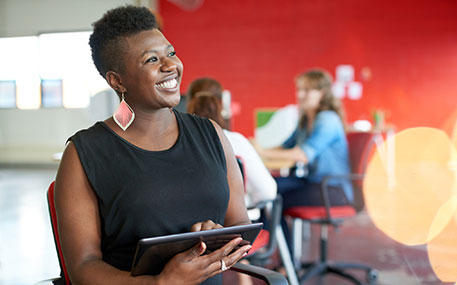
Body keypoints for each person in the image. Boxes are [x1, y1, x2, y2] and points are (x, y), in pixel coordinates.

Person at [54, 6, 251, 284]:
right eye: (151, 60)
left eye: (170, 53)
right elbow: (83, 268)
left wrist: (217, 236)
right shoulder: (83, 154)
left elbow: (240, 224)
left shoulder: (212, 134)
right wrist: (161, 282)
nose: (170, 66)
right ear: (117, 80)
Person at [256, 68, 352, 251]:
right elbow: (286, 147)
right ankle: (277, 255)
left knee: (272, 199)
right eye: (299, 89)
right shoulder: (306, 119)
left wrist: (262, 152)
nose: (300, 94)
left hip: (332, 189)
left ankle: (284, 262)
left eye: (307, 90)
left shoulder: (327, 119)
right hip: (313, 182)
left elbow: (302, 154)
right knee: (264, 187)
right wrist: (257, 150)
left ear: (322, 93)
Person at [187, 92, 277, 212]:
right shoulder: (236, 140)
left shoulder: (181, 145)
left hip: (196, 225)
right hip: (239, 221)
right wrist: (246, 202)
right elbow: (268, 192)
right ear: (221, 112)